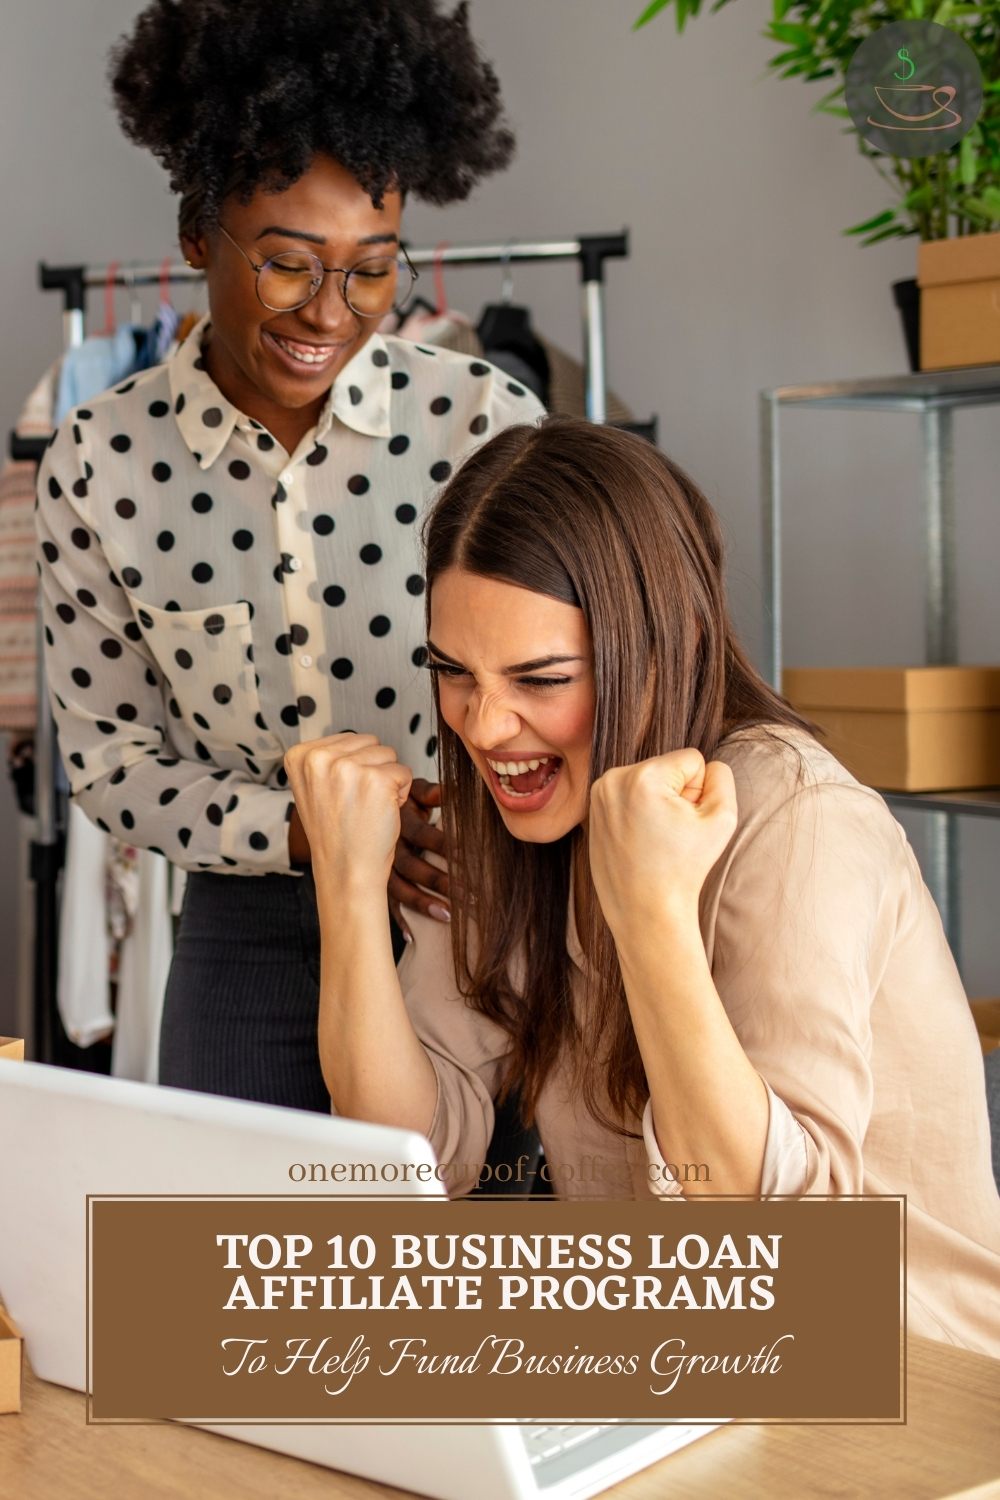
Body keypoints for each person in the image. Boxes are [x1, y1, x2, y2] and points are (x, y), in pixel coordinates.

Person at [286, 416, 1000, 1355]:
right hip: (671, 1357)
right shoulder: (517, 812)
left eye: (541, 678)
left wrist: (651, 912)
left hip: (896, 1370)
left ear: (664, 643)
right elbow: (413, 1163)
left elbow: (783, 1244)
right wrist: (346, 886)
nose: (486, 726)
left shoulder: (796, 818)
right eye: (452, 672)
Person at [35, 0, 544, 1112]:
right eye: (286, 265)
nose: (332, 312)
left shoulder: (484, 426)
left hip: (468, 907)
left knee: (466, 1265)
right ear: (194, 237)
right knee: (243, 1258)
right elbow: (111, 762)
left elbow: (568, 681)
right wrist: (312, 833)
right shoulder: (101, 461)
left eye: (372, 271)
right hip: (246, 932)